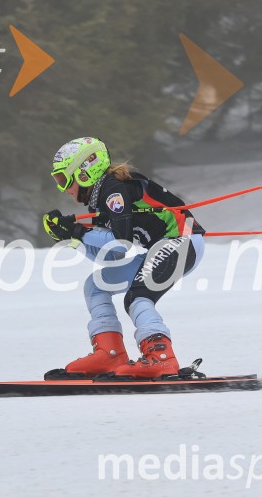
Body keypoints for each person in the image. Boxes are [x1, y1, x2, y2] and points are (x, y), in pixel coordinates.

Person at [43, 137, 206, 379]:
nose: (63, 188)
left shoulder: (113, 189)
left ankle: (161, 357)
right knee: (96, 285)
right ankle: (110, 353)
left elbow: (121, 242)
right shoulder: (100, 199)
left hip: (182, 241)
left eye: (63, 179)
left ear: (85, 172)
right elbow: (112, 255)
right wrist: (73, 238)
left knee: (138, 296)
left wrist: (79, 232)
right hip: (161, 247)